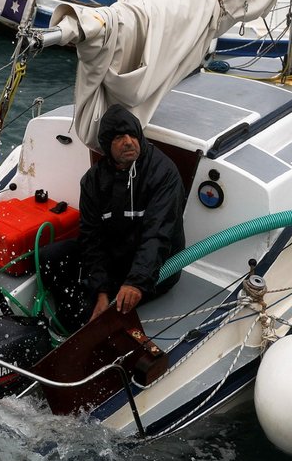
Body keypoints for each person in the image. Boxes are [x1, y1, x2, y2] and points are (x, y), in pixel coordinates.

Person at [40, 104, 186, 331]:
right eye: (119, 137)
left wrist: (135, 282)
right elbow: (91, 238)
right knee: (49, 257)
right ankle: (77, 309)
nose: (128, 141)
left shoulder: (164, 173)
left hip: (154, 268)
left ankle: (82, 319)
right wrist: (102, 291)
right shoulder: (93, 181)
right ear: (107, 145)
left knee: (86, 317)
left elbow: (157, 235)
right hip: (115, 261)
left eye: (132, 134)